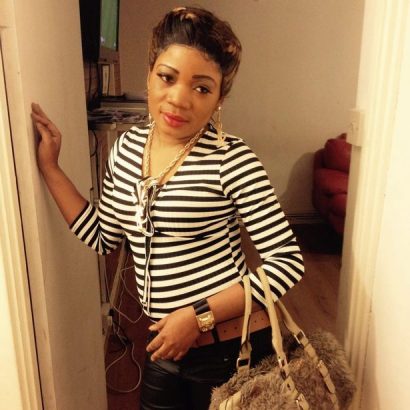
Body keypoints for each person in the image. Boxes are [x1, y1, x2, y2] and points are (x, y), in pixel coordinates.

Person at [32, 6, 304, 410]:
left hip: (229, 350)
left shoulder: (232, 159)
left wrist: (196, 317)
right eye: (167, 77)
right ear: (149, 74)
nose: (179, 98)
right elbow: (103, 237)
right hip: (165, 343)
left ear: (219, 98)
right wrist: (50, 168)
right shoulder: (126, 148)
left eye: (202, 88)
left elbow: (287, 263)